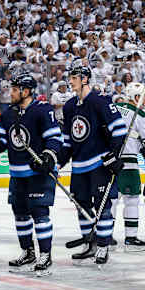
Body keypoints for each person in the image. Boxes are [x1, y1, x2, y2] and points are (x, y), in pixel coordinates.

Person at [59, 63, 126, 266]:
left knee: (103, 207)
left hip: (99, 164)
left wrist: (114, 155)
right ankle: (90, 244)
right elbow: (68, 140)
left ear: (85, 79)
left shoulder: (100, 102)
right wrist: (57, 162)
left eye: (74, 77)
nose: (70, 81)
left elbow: (119, 130)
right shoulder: (69, 106)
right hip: (79, 166)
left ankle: (103, 245)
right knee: (82, 207)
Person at [0, 73, 63, 276]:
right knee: (20, 214)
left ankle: (45, 254)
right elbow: (0, 142)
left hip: (38, 173)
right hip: (17, 174)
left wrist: (47, 156)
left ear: (25, 91)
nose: (11, 93)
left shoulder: (42, 110)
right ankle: (27, 251)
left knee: (40, 214)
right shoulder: (8, 114)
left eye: (15, 89)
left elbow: (54, 138)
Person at [111, 82, 145, 251]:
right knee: (131, 200)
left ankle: (105, 237)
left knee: (111, 199)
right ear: (136, 98)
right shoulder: (140, 115)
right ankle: (130, 239)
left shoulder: (113, 108)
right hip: (128, 162)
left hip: (109, 161)